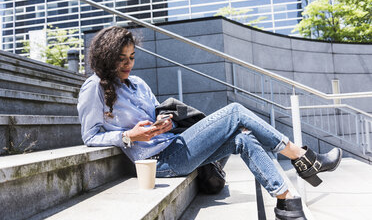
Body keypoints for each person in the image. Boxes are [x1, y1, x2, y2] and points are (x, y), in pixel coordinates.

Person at [78, 26, 342, 220]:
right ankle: (303, 158)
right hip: (159, 163)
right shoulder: (93, 88)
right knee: (235, 111)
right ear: (106, 56)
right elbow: (90, 136)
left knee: (243, 138)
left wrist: (162, 123)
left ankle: (287, 204)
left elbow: (152, 118)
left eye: (132, 57)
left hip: (172, 144)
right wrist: (129, 136)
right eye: (121, 58)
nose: (128, 64)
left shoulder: (139, 85)